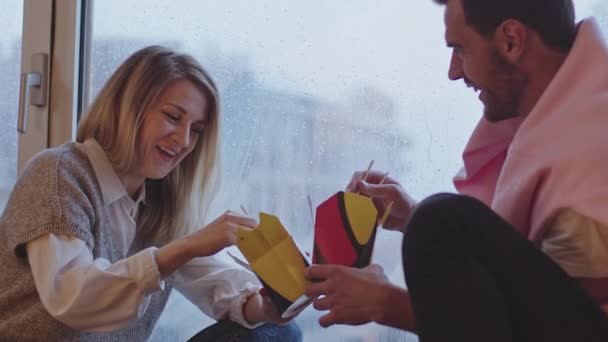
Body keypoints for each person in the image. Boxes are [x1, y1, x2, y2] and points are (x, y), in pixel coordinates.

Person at [305, 0, 608, 341]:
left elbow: (561, 330)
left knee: (439, 222)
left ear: (511, 40)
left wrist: (387, 303)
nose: (453, 71)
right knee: (432, 221)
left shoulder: (585, 179)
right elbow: (536, 288)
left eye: (460, 50)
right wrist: (410, 215)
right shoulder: (576, 107)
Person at [0, 46, 301, 342]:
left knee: (279, 331)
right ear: (127, 107)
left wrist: (266, 306)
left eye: (196, 130)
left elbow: (218, 286)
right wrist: (185, 248)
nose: (184, 140)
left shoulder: (160, 205)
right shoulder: (59, 174)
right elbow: (72, 299)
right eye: (172, 117)